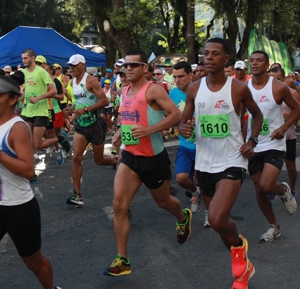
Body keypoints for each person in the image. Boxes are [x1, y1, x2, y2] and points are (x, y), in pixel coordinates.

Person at [0, 74, 60, 289]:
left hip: (18, 208)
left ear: (13, 99)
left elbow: (29, 171)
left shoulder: (18, 128)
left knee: (33, 262)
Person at [180, 38, 262, 288]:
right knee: (220, 226)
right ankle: (242, 263)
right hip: (205, 163)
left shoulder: (238, 88)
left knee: (216, 218)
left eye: (216, 54)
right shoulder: (194, 88)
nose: (209, 57)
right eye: (206, 53)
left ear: (226, 58)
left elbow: (257, 115)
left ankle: (239, 252)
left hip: (232, 160)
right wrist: (184, 128)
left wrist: (253, 140)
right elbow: (184, 122)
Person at [104, 50, 188, 277]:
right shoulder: (124, 91)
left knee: (163, 203)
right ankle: (123, 259)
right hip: (130, 156)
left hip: (153, 159)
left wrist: (150, 130)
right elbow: (128, 117)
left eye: (134, 65)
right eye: (125, 66)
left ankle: (182, 217)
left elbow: (175, 115)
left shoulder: (153, 89)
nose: (128, 69)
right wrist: (120, 131)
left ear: (145, 68)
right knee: (119, 205)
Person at [247, 52, 300, 242]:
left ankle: (283, 190)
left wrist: (284, 128)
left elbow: (297, 109)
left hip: (274, 142)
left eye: (259, 60)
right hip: (253, 143)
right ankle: (274, 226)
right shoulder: (243, 87)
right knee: (259, 189)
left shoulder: (277, 87)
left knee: (266, 185)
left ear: (267, 65)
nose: (254, 64)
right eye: (251, 60)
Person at [65, 54, 117, 206]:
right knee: (76, 158)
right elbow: (79, 102)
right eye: (70, 65)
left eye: (74, 65)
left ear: (83, 65)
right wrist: (72, 109)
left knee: (99, 161)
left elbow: (104, 101)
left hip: (95, 125)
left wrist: (87, 109)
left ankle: (115, 161)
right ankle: (77, 195)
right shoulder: (73, 82)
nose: (71, 68)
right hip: (81, 125)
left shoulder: (91, 80)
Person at [268, 66, 300, 198]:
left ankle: (291, 189)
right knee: (271, 167)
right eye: (272, 79)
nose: (275, 82)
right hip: (270, 137)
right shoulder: (263, 93)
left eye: (278, 79)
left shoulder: (292, 93)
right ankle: (272, 187)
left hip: (288, 136)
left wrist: (291, 116)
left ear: (284, 79)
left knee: (291, 167)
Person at [169, 62, 203, 217]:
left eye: (181, 76)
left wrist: (201, 120)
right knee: (181, 178)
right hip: (186, 145)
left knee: (204, 180)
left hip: (205, 145)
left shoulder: (202, 91)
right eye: (175, 77)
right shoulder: (173, 93)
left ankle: (209, 212)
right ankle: (196, 193)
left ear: (191, 75)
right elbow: (170, 115)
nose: (177, 80)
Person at [20, 50, 58, 152]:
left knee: (38, 144)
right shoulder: (23, 73)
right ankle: (31, 161)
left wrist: (38, 98)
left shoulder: (42, 72)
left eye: (25, 58)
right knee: (26, 139)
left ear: (32, 58)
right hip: (27, 111)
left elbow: (54, 91)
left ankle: (59, 139)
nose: (23, 60)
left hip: (40, 111)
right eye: (22, 58)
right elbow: (25, 92)